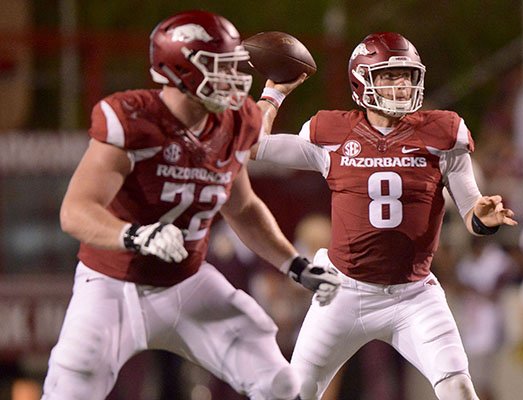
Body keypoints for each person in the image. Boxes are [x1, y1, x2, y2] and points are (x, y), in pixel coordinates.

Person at [40, 10, 341, 400]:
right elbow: (76, 210)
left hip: (186, 281)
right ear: (181, 70)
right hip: (113, 284)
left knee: (279, 382)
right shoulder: (133, 119)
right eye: (220, 68)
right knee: (71, 387)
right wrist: (133, 235)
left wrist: (294, 265)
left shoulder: (235, 122)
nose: (234, 79)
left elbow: (244, 208)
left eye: (234, 66)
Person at [251, 32, 518, 400]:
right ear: (362, 79)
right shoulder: (333, 134)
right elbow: (253, 145)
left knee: (459, 389)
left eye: (406, 75)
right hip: (344, 290)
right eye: (389, 76)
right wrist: (274, 92)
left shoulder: (443, 134)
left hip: (414, 295)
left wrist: (483, 217)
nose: (401, 84)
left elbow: (472, 209)